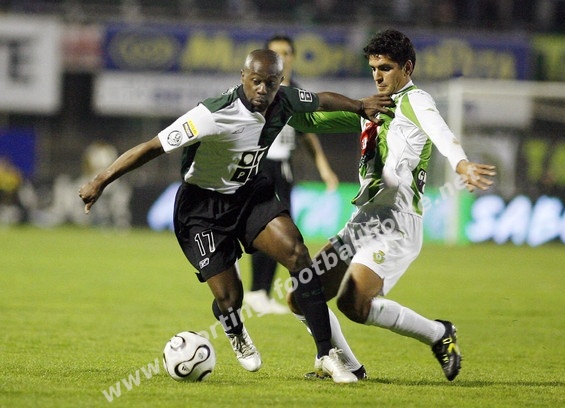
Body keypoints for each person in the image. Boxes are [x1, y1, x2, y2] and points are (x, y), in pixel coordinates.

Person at [79, 49, 392, 384]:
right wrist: (101, 180)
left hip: (249, 195)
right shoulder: (211, 114)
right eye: (255, 81)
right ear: (243, 77)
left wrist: (359, 106)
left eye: (270, 83)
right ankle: (235, 328)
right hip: (201, 209)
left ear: (280, 82)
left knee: (298, 255)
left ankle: (326, 354)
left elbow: (321, 101)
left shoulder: (283, 99)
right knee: (230, 298)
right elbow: (152, 147)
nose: (262, 89)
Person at [286, 29, 496, 381]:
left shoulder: (416, 101)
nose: (377, 76)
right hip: (363, 222)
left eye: (385, 68)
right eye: (373, 68)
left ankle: (438, 333)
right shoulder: (371, 108)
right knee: (301, 298)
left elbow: (441, 133)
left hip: (396, 223)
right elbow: (310, 121)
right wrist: (276, 105)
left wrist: (460, 163)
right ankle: (349, 367)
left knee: (354, 303)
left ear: (407, 68)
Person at [245, 35, 339, 315]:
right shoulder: (258, 89)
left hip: (283, 168)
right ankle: (257, 291)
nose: (282, 58)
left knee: (283, 229)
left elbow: (308, 134)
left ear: (293, 57)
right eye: (275, 53)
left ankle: (261, 293)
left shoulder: (297, 93)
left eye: (286, 53)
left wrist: (324, 169)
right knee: (267, 227)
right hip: (260, 164)